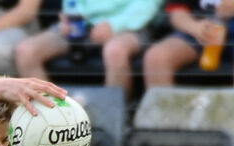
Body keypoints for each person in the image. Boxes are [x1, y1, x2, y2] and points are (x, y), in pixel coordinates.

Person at [14, 0, 161, 98]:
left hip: (131, 25)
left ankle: (111, 123)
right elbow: (72, 3)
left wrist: (114, 25)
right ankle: (52, 117)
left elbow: (147, 5)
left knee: (115, 51)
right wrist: (70, 17)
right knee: (26, 51)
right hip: (81, 24)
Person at [143, 0, 234, 88]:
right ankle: (163, 103)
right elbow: (177, 11)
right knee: (156, 57)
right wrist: (193, 27)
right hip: (201, 28)